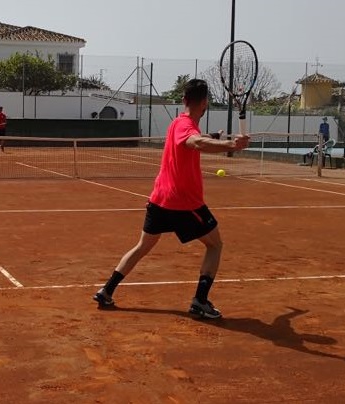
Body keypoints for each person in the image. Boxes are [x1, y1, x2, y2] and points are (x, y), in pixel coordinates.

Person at [93, 79, 250, 319]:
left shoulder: (178, 122)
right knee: (215, 244)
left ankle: (107, 290)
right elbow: (194, 142)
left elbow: (193, 138)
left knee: (142, 247)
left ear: (185, 100)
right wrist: (230, 144)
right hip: (184, 203)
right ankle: (200, 300)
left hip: (160, 199)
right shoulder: (187, 128)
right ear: (205, 102)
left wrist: (213, 136)